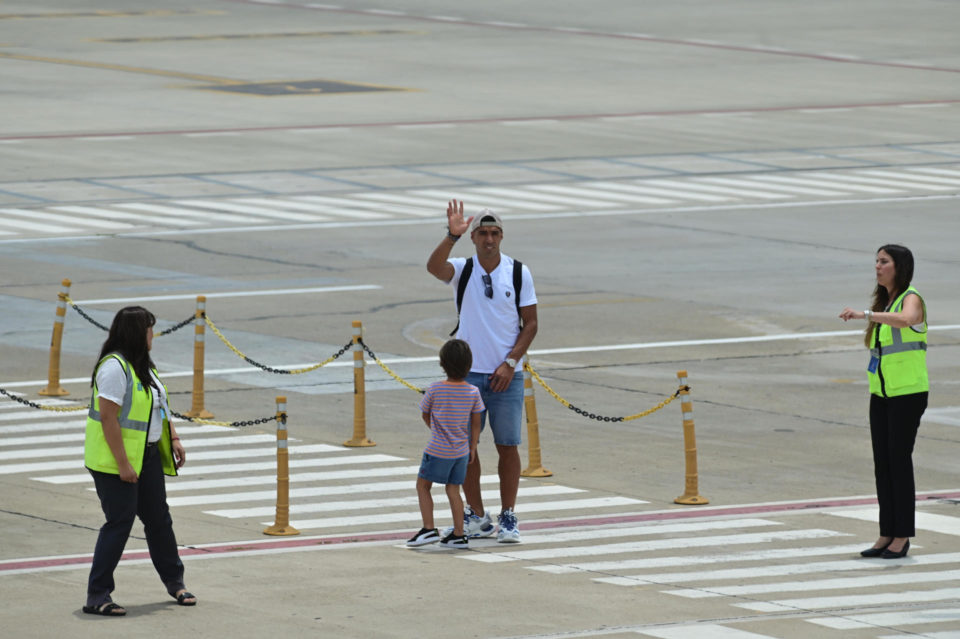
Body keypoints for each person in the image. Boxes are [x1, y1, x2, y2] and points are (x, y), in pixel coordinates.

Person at [427, 200, 538, 543]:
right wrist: (451, 236)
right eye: (483, 234)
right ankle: (476, 516)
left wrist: (510, 363)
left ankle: (508, 515)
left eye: (495, 233)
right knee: (468, 448)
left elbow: (531, 324)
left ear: (501, 236)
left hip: (505, 375)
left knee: (508, 445)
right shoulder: (464, 269)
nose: (489, 239)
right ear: (473, 237)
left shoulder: (518, 272)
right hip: (468, 376)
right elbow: (434, 267)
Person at [83, 306, 196, 616]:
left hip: (145, 457)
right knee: (119, 522)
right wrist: (123, 464)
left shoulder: (143, 365)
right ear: (137, 333)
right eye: (149, 330)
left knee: (159, 519)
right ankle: (98, 595)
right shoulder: (114, 368)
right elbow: (108, 418)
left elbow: (160, 404)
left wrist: (173, 437)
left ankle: (175, 582)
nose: (153, 335)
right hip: (113, 461)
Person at [840, 244, 928, 560]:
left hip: (908, 394)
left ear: (899, 267)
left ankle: (902, 536)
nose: (877, 267)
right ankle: (886, 532)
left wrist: (866, 314)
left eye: (884, 262)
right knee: (883, 463)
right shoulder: (885, 301)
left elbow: (906, 320)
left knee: (899, 462)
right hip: (882, 394)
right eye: (876, 261)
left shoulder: (910, 298)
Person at [407, 339, 484, 549]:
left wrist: (437, 430)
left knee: (423, 486)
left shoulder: (435, 389)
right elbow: (476, 422)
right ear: (469, 365)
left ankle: (429, 528)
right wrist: (473, 445)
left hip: (438, 448)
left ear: (442, 364)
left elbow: (425, 413)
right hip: (461, 450)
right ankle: (459, 534)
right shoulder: (473, 392)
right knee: (453, 490)